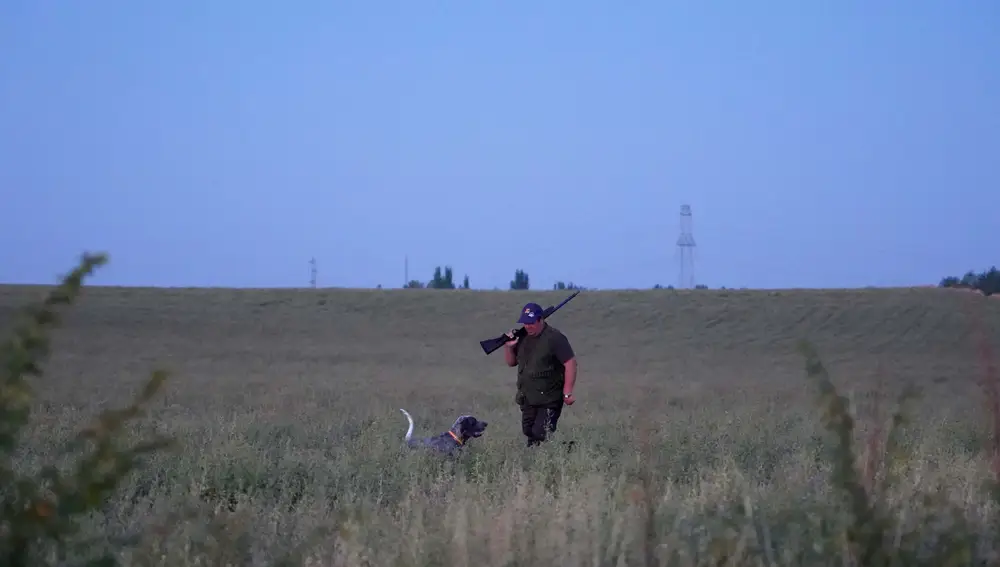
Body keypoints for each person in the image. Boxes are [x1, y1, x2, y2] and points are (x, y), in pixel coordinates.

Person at [503, 302, 577, 447]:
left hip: (549, 397)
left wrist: (567, 392)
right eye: (525, 323)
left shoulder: (555, 338)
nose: (528, 326)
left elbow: (570, 363)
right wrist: (509, 347)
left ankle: (552, 457)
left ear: (540, 320)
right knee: (528, 431)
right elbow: (511, 363)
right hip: (528, 397)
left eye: (531, 323)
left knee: (540, 434)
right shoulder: (522, 337)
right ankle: (562, 450)